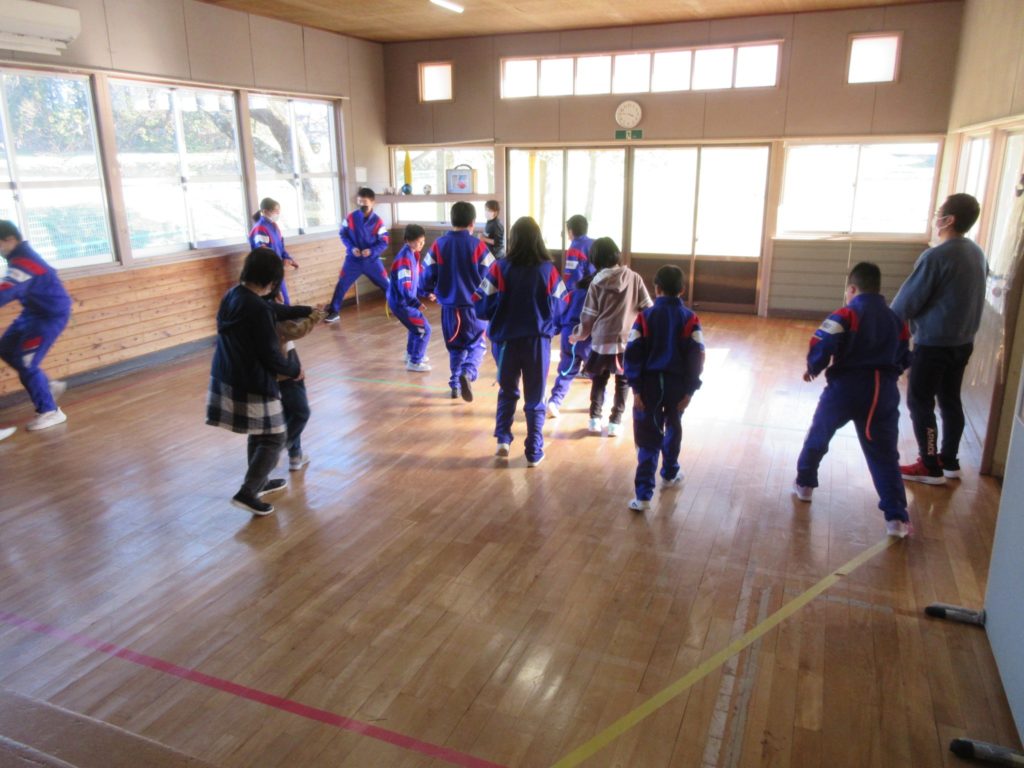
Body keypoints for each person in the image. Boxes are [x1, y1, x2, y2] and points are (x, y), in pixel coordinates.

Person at [793, 262, 912, 538]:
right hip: (882, 392)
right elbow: (905, 355)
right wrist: (891, 372)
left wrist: (814, 367)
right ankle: (896, 518)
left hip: (845, 389)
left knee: (819, 435)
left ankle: (805, 484)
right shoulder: (896, 320)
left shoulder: (846, 313)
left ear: (852, 289)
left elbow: (823, 341)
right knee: (884, 454)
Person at [891, 193, 987, 484]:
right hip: (963, 342)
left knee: (920, 401)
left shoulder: (937, 256)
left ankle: (929, 464)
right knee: (950, 400)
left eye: (939, 213)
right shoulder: (976, 253)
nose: (936, 218)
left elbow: (906, 303)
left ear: (949, 220)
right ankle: (949, 460)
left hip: (933, 344)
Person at [206, 247, 301, 516]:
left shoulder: (233, 295)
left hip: (226, 374)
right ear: (270, 278)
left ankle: (258, 481)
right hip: (251, 380)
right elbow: (270, 355)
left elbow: (264, 311)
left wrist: (297, 309)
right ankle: (248, 492)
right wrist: (293, 369)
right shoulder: (257, 309)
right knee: (275, 436)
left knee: (259, 430)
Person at [473, 216, 566, 466]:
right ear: (538, 239)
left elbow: (480, 304)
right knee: (535, 397)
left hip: (505, 342)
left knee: (507, 390)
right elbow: (562, 305)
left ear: (513, 239)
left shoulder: (499, 268)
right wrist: (551, 327)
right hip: (537, 342)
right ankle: (534, 451)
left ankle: (503, 439)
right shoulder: (548, 271)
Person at [623, 265, 704, 512]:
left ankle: (643, 495)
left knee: (648, 437)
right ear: (682, 290)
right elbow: (697, 355)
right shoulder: (690, 318)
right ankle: (670, 473)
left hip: (649, 386)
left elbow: (632, 353)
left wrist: (636, 388)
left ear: (656, 289)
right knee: (673, 426)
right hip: (677, 386)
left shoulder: (644, 317)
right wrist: (690, 390)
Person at [570, 237, 653, 436]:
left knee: (599, 380)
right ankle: (615, 421)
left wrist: (577, 335)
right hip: (627, 340)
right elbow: (648, 308)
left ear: (595, 259)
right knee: (623, 381)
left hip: (601, 340)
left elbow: (588, 317)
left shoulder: (596, 282)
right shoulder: (634, 278)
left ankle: (594, 419)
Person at [0, 220, 71, 431]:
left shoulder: (25, 263)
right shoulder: (18, 258)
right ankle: (47, 385)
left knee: (27, 363)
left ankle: (50, 411)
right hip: (32, 314)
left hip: (50, 317)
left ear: (10, 239)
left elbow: (6, 291)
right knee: (5, 348)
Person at [422, 201, 494, 401]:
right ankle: (468, 372)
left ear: (451, 221)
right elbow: (492, 276)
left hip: (449, 310)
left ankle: (455, 385)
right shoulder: (478, 246)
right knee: (477, 345)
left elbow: (426, 274)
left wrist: (428, 290)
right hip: (474, 309)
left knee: (455, 347)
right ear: (473, 222)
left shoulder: (438, 244)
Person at [267, 287, 325, 472]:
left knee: (289, 413)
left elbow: (292, 317)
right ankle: (279, 448)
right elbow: (295, 329)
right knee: (301, 412)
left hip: (278, 371)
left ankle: (295, 455)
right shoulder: (270, 313)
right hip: (287, 371)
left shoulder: (267, 311)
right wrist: (316, 314)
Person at [325, 188, 390, 323]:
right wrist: (351, 248)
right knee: (342, 284)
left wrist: (371, 251)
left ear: (372, 202)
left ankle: (399, 307)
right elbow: (343, 234)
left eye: (365, 202)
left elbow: (384, 242)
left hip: (372, 261)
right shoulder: (350, 218)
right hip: (353, 260)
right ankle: (333, 311)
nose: (362, 205)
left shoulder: (378, 222)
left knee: (387, 284)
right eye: (359, 202)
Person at [545, 271, 593, 418]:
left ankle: (554, 402)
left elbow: (558, 313)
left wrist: (555, 330)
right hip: (587, 338)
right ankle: (598, 404)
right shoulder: (596, 296)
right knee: (597, 374)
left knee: (566, 372)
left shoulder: (571, 294)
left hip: (568, 335)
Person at [388, 224, 433, 372]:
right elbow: (404, 287)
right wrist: (416, 303)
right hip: (402, 304)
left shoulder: (413, 255)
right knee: (424, 329)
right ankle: (415, 362)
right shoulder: (404, 260)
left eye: (423, 241)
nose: (422, 244)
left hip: (405, 302)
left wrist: (426, 293)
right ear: (408, 240)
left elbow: (416, 282)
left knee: (415, 328)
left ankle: (411, 354)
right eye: (418, 242)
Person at [248, 197, 298, 305]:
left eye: (279, 210)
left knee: (285, 301)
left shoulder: (274, 226)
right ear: (265, 211)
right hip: (268, 273)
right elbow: (263, 253)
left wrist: (287, 258)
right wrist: (278, 263)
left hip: (277, 270)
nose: (278, 213)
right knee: (276, 303)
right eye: (275, 211)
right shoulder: (260, 228)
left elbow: (281, 246)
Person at [563, 214, 595, 290]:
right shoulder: (594, 243)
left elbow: (573, 276)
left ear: (570, 231)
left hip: (582, 291)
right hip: (596, 288)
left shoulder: (574, 249)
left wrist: (568, 293)